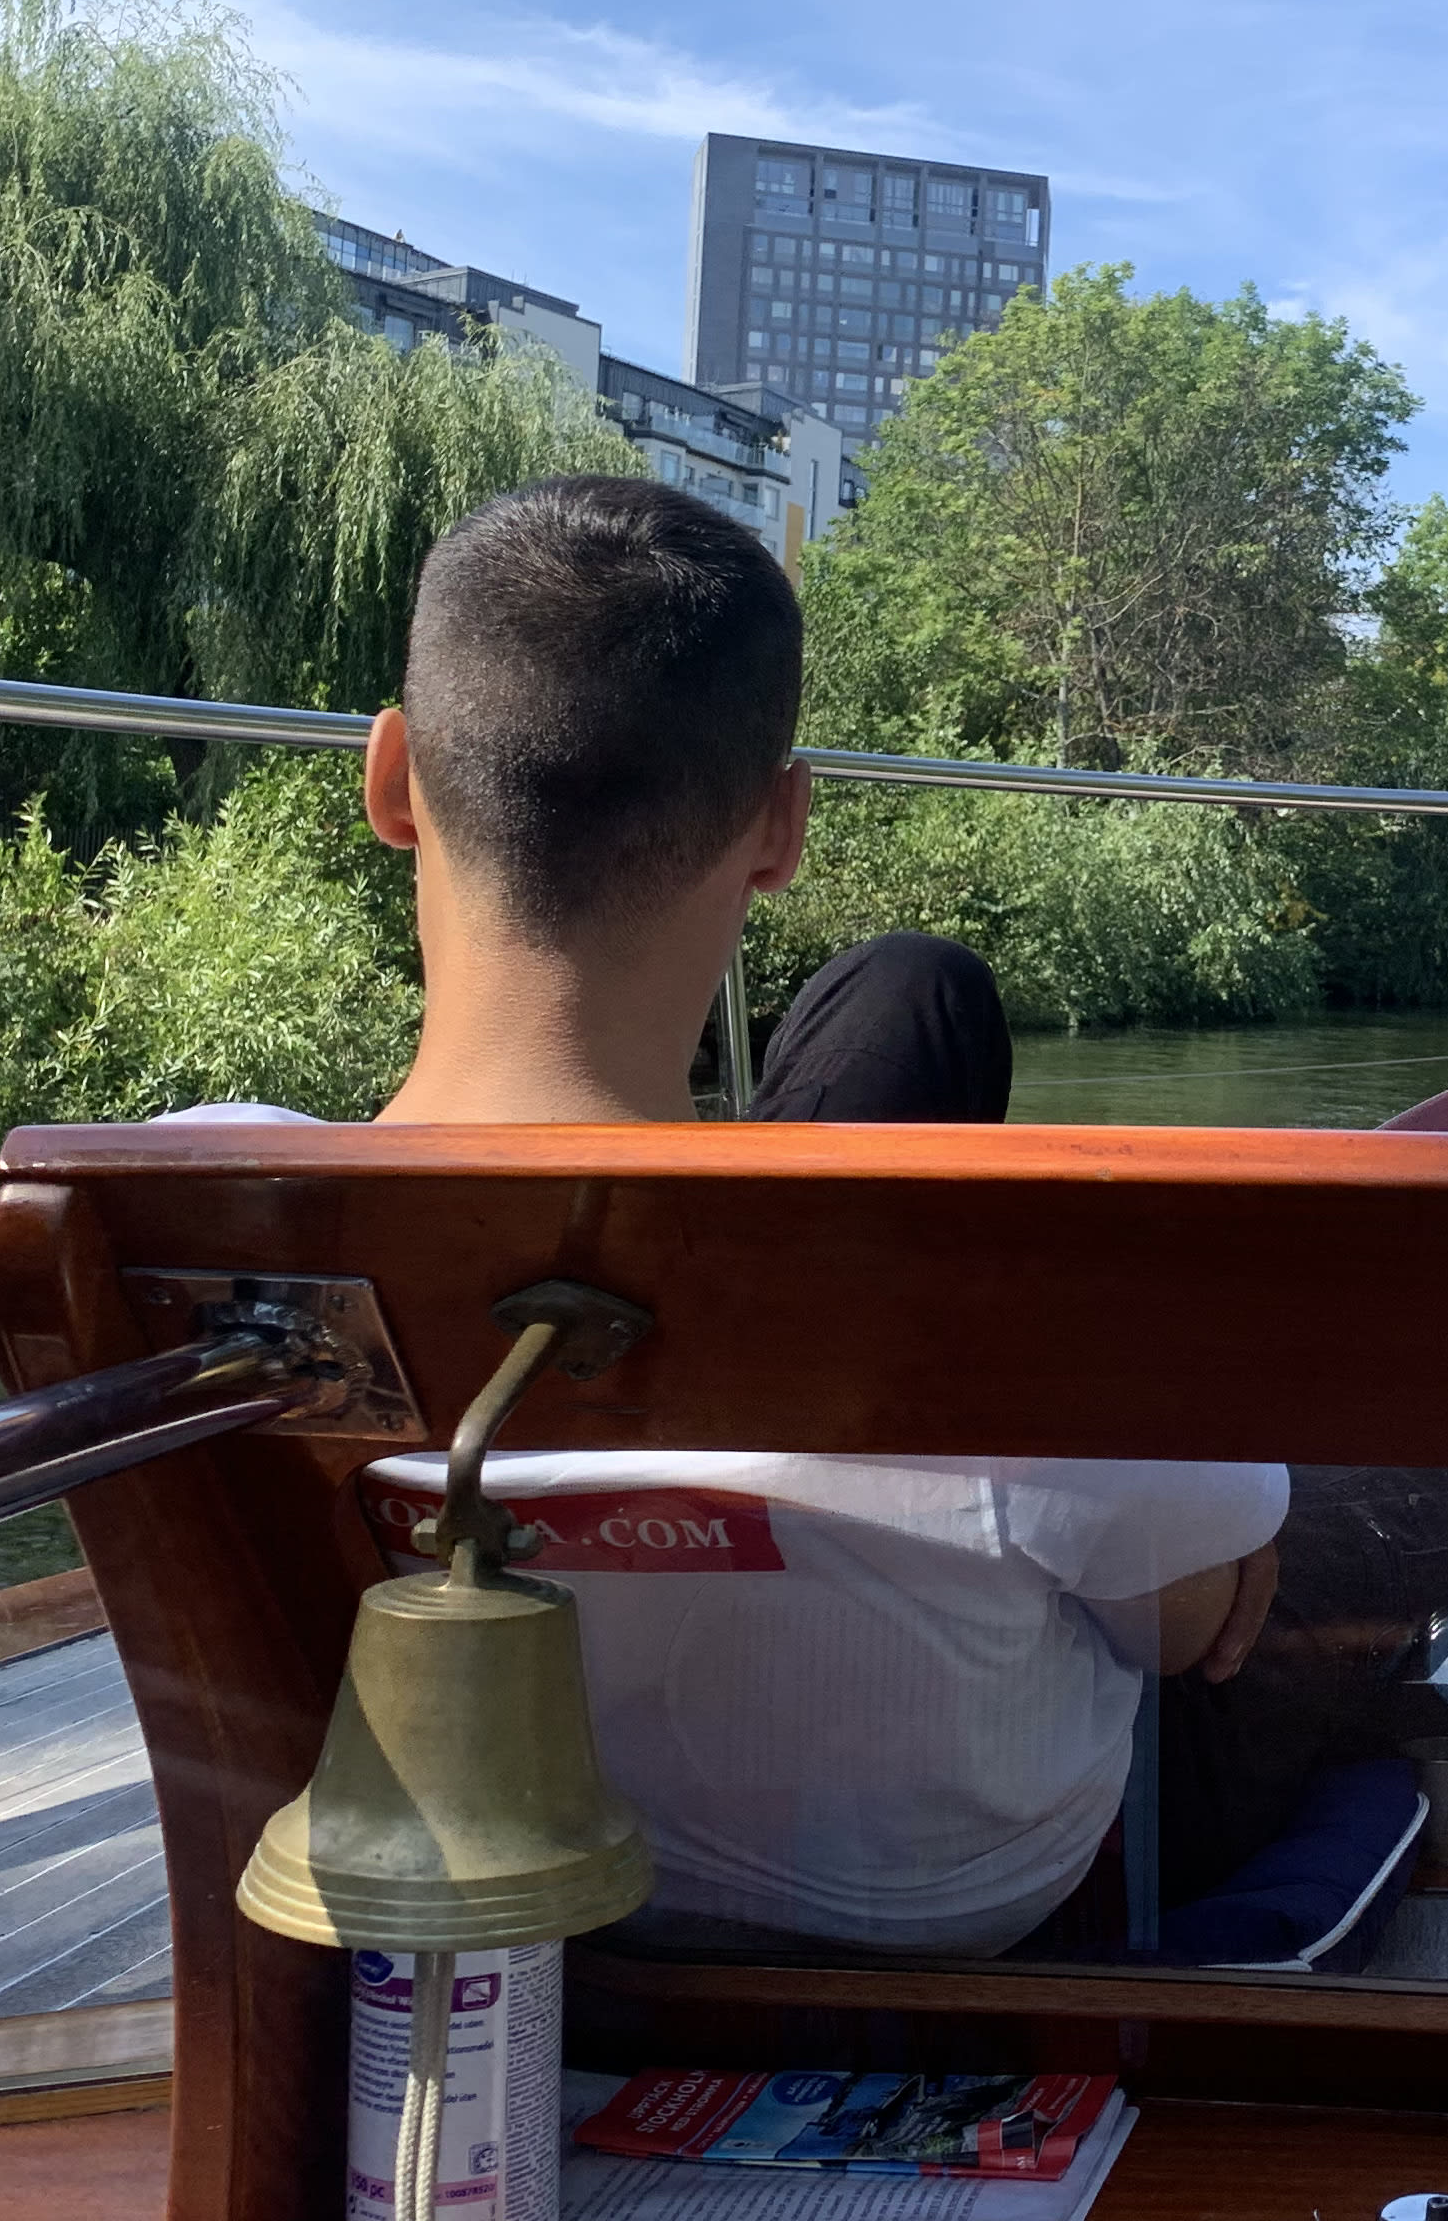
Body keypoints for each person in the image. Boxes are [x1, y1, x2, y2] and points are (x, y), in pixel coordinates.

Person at [179, 473, 1281, 1955]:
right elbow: (1190, 1629)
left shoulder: (196, 1204)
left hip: (426, 1888)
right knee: (1280, 1552)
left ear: (389, 782)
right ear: (780, 829)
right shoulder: (1001, 1286)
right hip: (948, 1923)